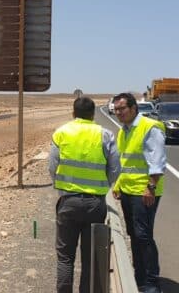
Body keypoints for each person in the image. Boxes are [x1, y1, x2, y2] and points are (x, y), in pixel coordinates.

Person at [48, 96, 120, 293]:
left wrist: (62, 186)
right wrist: (102, 185)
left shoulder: (62, 132)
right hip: (95, 204)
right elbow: (115, 169)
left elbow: (52, 166)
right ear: (93, 114)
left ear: (73, 113)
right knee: (90, 258)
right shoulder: (105, 135)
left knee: (65, 258)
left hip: (68, 202)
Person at [111, 92, 167, 293]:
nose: (118, 113)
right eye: (116, 109)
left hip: (144, 191)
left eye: (122, 109)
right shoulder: (123, 130)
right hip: (128, 190)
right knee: (133, 234)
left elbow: (157, 161)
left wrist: (150, 188)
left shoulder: (149, 128)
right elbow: (124, 163)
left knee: (143, 235)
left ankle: (151, 283)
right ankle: (139, 275)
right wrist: (118, 185)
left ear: (133, 108)